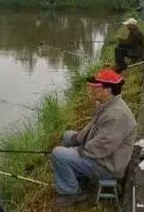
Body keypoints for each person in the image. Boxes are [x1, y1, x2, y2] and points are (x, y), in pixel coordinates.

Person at [51, 70, 137, 207]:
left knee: (57, 153)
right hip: (101, 155)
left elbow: (102, 146)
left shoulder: (117, 116)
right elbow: (91, 127)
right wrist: (76, 139)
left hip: (108, 166)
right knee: (68, 136)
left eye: (96, 88)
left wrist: (80, 150)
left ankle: (71, 192)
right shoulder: (107, 104)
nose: (92, 90)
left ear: (108, 90)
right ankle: (76, 176)